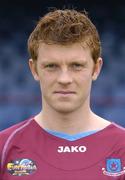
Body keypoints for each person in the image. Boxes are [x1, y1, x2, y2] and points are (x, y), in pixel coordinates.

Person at [0, 9, 125, 180]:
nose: (64, 79)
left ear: (96, 68)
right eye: (51, 66)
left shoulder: (122, 146)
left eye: (76, 65)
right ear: (34, 69)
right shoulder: (4, 147)